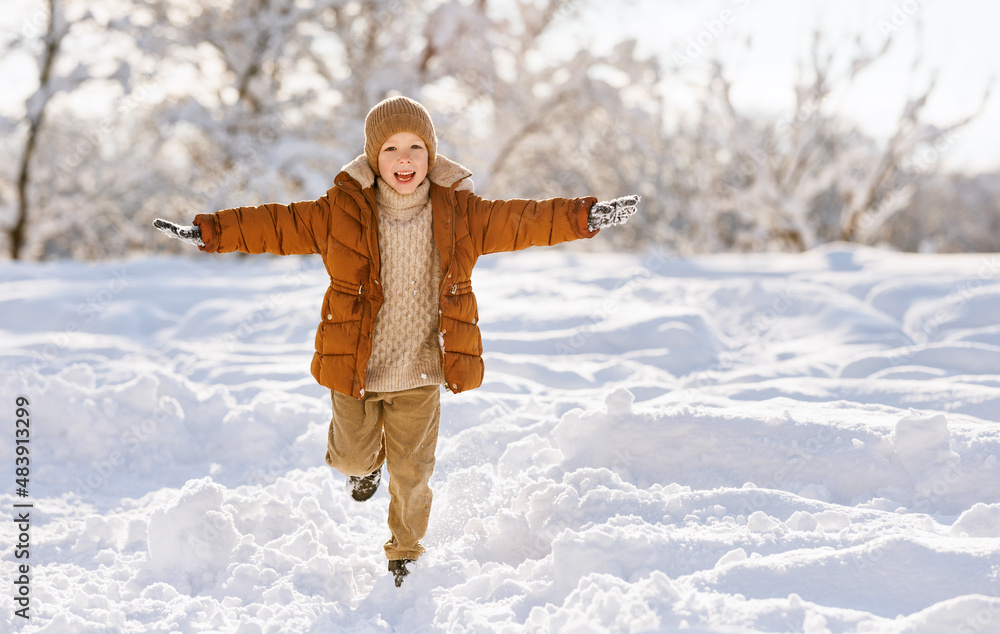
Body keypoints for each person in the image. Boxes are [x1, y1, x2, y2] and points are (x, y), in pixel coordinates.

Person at [183, 95, 638, 587]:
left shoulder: (460, 212)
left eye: (416, 147)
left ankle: (405, 553)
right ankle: (361, 469)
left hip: (422, 369)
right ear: (372, 158)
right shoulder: (342, 211)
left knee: (413, 473)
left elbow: (521, 219)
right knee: (354, 455)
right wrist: (213, 230)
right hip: (355, 367)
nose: (404, 159)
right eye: (392, 149)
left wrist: (580, 217)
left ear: (432, 154)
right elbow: (275, 224)